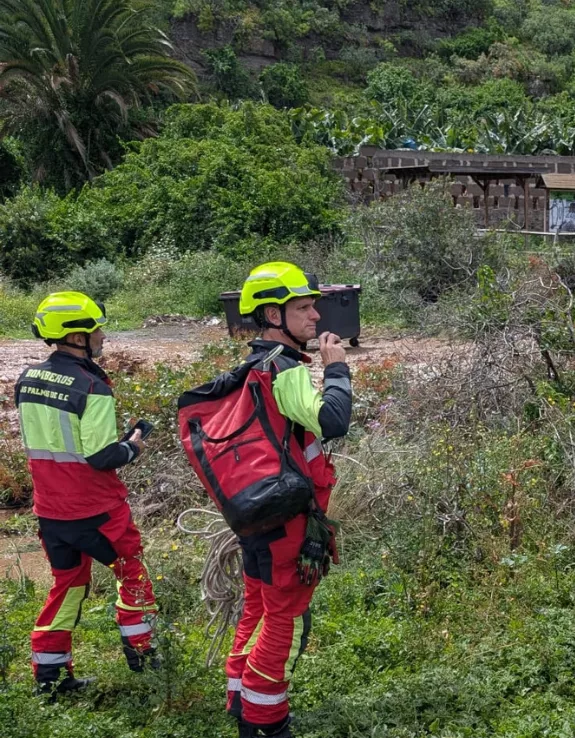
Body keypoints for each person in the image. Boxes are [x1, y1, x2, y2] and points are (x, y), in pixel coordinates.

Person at [223, 262, 352, 738]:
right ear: (273, 314)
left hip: (257, 513)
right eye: (303, 307)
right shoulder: (283, 367)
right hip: (287, 519)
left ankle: (239, 695)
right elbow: (333, 420)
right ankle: (264, 718)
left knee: (258, 607)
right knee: (286, 616)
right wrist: (336, 367)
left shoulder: (253, 364)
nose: (315, 315)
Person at [15, 292, 157, 697]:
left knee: (68, 586)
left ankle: (51, 677)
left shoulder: (27, 380)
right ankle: (146, 659)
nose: (102, 334)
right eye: (96, 327)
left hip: (51, 513)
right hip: (96, 511)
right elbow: (99, 456)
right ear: (77, 335)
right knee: (132, 574)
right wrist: (132, 445)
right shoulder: (92, 386)